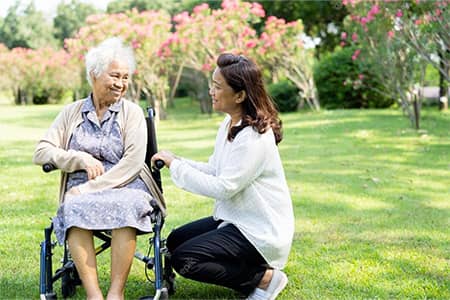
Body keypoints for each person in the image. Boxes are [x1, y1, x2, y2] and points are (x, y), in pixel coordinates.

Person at [151, 53, 294, 300]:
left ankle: (264, 278)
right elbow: (215, 169)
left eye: (217, 87)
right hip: (238, 220)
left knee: (186, 259)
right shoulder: (230, 123)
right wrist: (176, 161)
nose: (211, 91)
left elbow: (224, 187)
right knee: (175, 243)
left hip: (260, 231)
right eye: (212, 85)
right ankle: (254, 274)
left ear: (239, 95)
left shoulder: (253, 137)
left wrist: (176, 167)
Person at [33, 37, 163, 300]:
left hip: (127, 183)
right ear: (94, 74)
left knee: (125, 204)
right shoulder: (72, 112)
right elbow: (41, 151)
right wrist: (78, 159)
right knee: (73, 206)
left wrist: (90, 188)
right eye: (115, 75)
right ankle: (94, 295)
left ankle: (116, 294)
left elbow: (133, 162)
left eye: (125, 77)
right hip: (81, 188)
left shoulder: (132, 113)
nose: (121, 83)